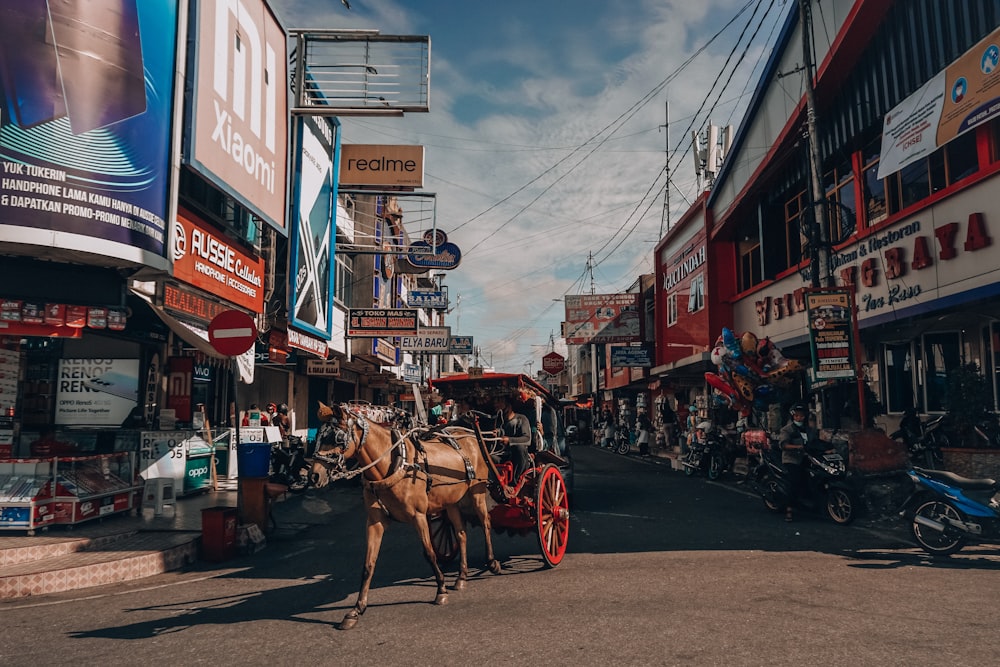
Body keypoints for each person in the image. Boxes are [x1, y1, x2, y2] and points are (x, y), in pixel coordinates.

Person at [778, 402, 818, 522]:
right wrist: (798, 447)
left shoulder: (809, 430)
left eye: (801, 416)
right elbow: (783, 445)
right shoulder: (787, 430)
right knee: (794, 482)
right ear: (793, 417)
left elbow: (815, 442)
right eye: (797, 416)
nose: (799, 418)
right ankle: (789, 510)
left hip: (807, 458)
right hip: (791, 459)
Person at [496, 396, 532, 480]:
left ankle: (515, 480)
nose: (497, 405)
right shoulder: (498, 421)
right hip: (502, 455)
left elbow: (527, 439)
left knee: (519, 448)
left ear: (509, 405)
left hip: (518, 458)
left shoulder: (521, 419)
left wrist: (509, 440)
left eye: (500, 401)